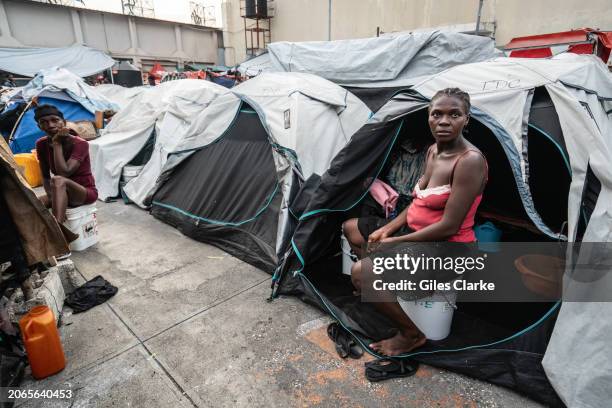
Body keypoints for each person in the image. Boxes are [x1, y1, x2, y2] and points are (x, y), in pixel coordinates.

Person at [343, 88, 488, 356]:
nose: (444, 121)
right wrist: (388, 228)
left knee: (363, 272)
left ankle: (411, 334)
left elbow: (449, 226)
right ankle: (385, 289)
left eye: (454, 114)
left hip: (450, 248)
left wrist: (393, 242)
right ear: (428, 118)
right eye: (437, 114)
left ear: (466, 120)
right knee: (352, 228)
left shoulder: (470, 161)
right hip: (418, 234)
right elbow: (418, 202)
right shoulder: (433, 151)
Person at [34, 104, 98, 228]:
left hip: (84, 192)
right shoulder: (41, 144)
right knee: (32, 204)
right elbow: (45, 176)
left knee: (58, 179)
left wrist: (57, 143)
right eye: (44, 122)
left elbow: (64, 173)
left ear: (63, 122)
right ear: (39, 126)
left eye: (55, 120)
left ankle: (58, 232)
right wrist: (51, 197)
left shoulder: (80, 143)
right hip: (60, 190)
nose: (50, 125)